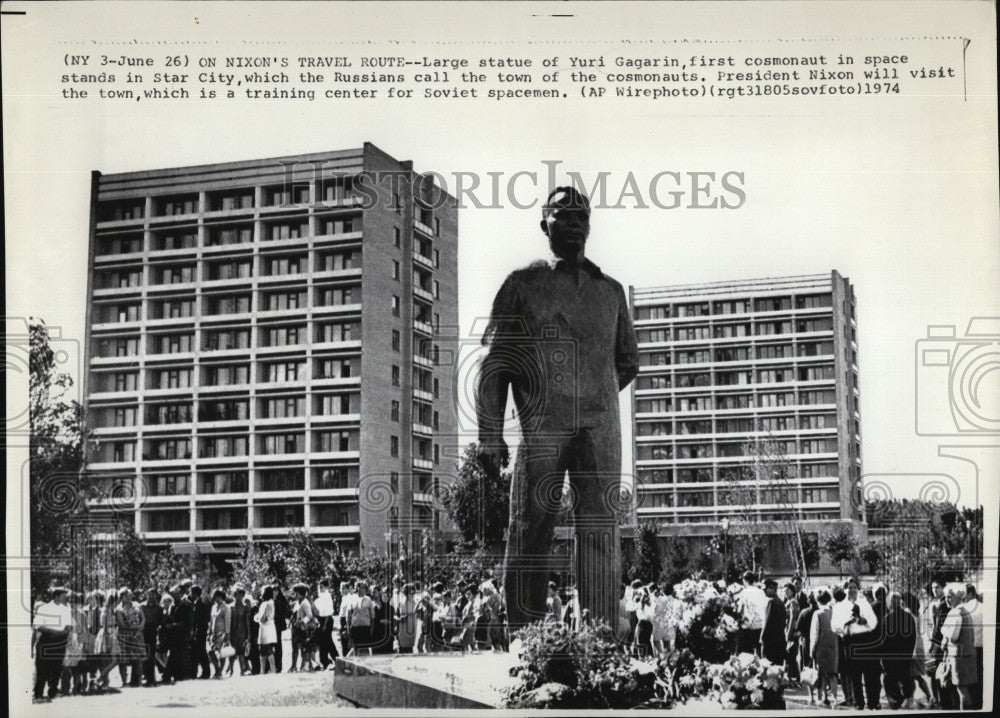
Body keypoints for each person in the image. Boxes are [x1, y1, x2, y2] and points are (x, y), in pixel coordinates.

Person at [476, 186, 639, 631]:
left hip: (600, 430)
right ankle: (526, 639)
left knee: (601, 532)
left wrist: (594, 397)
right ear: (543, 222)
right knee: (532, 527)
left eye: (581, 214)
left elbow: (626, 363)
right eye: (562, 214)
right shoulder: (522, 286)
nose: (573, 221)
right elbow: (495, 366)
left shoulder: (611, 292)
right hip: (542, 429)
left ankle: (600, 639)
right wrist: (491, 435)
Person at [831, 577, 877, 709]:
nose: (852, 590)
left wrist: (864, 621)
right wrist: (846, 623)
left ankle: (872, 702)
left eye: (854, 587)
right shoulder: (839, 607)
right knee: (854, 674)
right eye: (849, 587)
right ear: (845, 589)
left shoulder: (864, 604)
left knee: (869, 673)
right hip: (850, 640)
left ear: (858, 589)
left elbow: (873, 622)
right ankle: (859, 702)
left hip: (865, 639)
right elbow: (834, 626)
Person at [32, 586, 72, 703]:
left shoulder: (66, 610)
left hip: (60, 642)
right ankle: (38, 694)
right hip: (46, 642)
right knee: (42, 670)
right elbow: (39, 626)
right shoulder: (44, 608)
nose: (66, 598)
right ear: (56, 597)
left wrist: (63, 634)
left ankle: (52, 693)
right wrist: (54, 633)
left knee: (57, 670)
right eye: (64, 596)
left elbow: (68, 626)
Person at [940, 583, 976, 710]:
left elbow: (953, 636)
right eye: (946, 597)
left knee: (962, 692)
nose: (947, 599)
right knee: (964, 691)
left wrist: (943, 630)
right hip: (968, 655)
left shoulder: (955, 612)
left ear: (959, 596)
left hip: (959, 658)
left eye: (950, 596)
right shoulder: (965, 611)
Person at [880, 591, 917, 709]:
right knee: (905, 677)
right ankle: (907, 697)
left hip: (891, 655)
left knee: (889, 679)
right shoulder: (908, 617)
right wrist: (910, 652)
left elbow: (883, 639)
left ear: (890, 603)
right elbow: (913, 636)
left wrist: (882, 655)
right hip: (904, 654)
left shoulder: (888, 617)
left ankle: (896, 700)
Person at [904, 592, 936, 709]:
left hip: (912, 647)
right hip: (919, 645)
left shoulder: (907, 613)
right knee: (915, 675)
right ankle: (924, 697)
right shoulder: (917, 613)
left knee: (912, 675)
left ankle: (915, 698)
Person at [810, 589, 840, 707]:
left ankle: (821, 698)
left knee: (821, 674)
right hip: (833, 645)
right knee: (832, 674)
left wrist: (812, 649)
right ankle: (835, 698)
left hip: (821, 646)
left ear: (818, 601)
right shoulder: (833, 612)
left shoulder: (817, 614)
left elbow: (815, 633)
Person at [115, 588, 146, 687]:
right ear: (122, 596)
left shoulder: (137, 605)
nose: (129, 597)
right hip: (125, 636)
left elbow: (143, 618)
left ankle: (139, 682)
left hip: (137, 636)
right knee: (123, 660)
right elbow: (122, 624)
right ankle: (124, 682)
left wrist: (141, 627)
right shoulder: (119, 609)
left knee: (138, 659)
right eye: (127, 595)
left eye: (130, 595)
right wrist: (136, 627)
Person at [927, 579, 948, 706]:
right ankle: (937, 699)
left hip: (940, 644)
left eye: (938, 587)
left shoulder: (944, 604)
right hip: (936, 643)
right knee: (933, 672)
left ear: (943, 587)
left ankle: (941, 701)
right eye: (933, 588)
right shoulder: (936, 603)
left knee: (938, 672)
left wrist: (933, 643)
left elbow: (939, 628)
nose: (935, 590)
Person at [962, 584, 983, 710]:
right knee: (980, 678)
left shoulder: (965, 609)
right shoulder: (983, 607)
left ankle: (972, 706)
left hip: (970, 649)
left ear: (969, 594)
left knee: (970, 680)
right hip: (981, 648)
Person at [737, 572, 767, 655]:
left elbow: (740, 609)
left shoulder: (744, 592)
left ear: (745, 581)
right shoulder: (761, 592)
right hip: (760, 624)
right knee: (758, 649)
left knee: (748, 652)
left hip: (748, 626)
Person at [796, 591, 818, 705]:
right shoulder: (821, 612)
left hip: (806, 642)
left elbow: (798, 630)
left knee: (808, 668)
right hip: (819, 642)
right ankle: (822, 695)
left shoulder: (804, 612)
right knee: (820, 669)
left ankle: (812, 696)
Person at [760, 578, 787, 665]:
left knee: (768, 667)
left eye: (765, 589)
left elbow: (768, 621)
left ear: (772, 588)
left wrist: (762, 637)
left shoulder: (771, 602)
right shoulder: (780, 602)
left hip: (771, 641)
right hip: (779, 639)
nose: (764, 592)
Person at [290, 583, 316, 672]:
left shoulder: (305, 602)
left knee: (304, 648)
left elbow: (309, 615)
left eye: (296, 593)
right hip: (296, 629)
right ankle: (294, 666)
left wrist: (301, 621)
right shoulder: (298, 602)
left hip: (303, 629)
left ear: (300, 592)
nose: (295, 595)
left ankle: (305, 666)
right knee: (295, 648)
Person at [141, 587, 163, 686]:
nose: (151, 596)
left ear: (156, 596)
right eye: (149, 594)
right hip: (143, 632)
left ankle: (151, 678)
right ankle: (144, 676)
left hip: (153, 632)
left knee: (151, 656)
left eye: (153, 594)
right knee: (144, 655)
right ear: (146, 595)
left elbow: (161, 622)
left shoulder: (159, 608)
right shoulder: (142, 607)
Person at [187, 585, 211, 679]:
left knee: (201, 652)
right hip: (200, 631)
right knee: (197, 652)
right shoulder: (199, 603)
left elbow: (199, 620)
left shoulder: (199, 604)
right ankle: (196, 673)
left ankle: (205, 672)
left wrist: (195, 632)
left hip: (200, 632)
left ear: (194, 593)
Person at [313, 578, 337, 669]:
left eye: (322, 587)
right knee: (322, 642)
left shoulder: (327, 596)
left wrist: (325, 624)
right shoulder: (320, 597)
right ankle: (325, 661)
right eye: (319, 587)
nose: (320, 588)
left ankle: (336, 659)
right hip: (321, 620)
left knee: (328, 641)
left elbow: (329, 612)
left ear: (326, 587)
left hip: (327, 620)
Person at [207, 588, 231, 679]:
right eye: (216, 597)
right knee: (210, 651)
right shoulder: (213, 607)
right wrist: (209, 633)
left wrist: (227, 635)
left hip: (222, 633)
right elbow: (211, 620)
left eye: (219, 597)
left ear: (222, 597)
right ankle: (217, 670)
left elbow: (227, 622)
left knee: (222, 653)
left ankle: (219, 672)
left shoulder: (226, 607)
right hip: (213, 634)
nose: (217, 599)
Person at [227, 585, 250, 676]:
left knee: (241, 652)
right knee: (232, 651)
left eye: (241, 595)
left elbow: (247, 621)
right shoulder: (230, 607)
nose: (239, 597)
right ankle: (231, 670)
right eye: (237, 595)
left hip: (242, 631)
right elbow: (228, 620)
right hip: (232, 631)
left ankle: (242, 670)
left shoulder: (245, 607)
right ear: (234, 595)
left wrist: (248, 634)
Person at [255, 586, 278, 674]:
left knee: (268, 647)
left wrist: (258, 619)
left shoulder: (270, 603)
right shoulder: (264, 603)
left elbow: (264, 617)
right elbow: (259, 616)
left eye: (263, 591)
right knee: (262, 649)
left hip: (268, 627)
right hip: (263, 627)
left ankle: (273, 669)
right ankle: (262, 671)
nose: (261, 593)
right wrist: (257, 618)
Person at [348, 580, 374, 656]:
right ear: (357, 588)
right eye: (361, 587)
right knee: (356, 648)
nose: (362, 589)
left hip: (365, 627)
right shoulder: (352, 599)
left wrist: (371, 628)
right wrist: (348, 630)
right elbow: (349, 615)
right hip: (355, 627)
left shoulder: (368, 599)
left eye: (364, 588)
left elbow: (372, 615)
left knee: (365, 648)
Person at [783, 583, 801, 682]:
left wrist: (788, 634)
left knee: (791, 655)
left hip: (792, 632)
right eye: (784, 591)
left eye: (787, 591)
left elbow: (792, 620)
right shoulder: (789, 601)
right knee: (790, 656)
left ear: (792, 591)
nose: (785, 593)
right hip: (789, 631)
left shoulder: (793, 602)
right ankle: (793, 677)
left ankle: (794, 678)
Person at [272, 582, 290, 673]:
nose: (275, 592)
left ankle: (278, 666)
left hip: (278, 625)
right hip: (271, 624)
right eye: (273, 590)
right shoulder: (271, 600)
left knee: (278, 645)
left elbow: (286, 611)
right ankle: (272, 666)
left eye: (276, 590)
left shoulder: (281, 600)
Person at [395, 583, 418, 654]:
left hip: (412, 629)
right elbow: (395, 615)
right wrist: (399, 619)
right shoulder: (401, 603)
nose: (410, 595)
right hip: (402, 629)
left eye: (412, 593)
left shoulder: (416, 603)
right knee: (402, 649)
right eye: (407, 592)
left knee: (410, 649)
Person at [371, 587, 395, 654]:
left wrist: (389, 622)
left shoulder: (390, 608)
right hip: (377, 636)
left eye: (387, 596)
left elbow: (393, 620)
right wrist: (380, 621)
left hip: (387, 636)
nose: (385, 598)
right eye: (384, 596)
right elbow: (372, 620)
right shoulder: (374, 606)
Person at [634, 585, 656, 658]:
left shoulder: (651, 603)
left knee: (646, 641)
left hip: (647, 623)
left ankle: (649, 657)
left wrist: (646, 603)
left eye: (642, 594)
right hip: (641, 623)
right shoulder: (638, 603)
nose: (642, 596)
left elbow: (650, 615)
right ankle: (643, 658)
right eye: (640, 594)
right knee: (640, 641)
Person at [338, 581, 356, 657]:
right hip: (342, 621)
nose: (341, 590)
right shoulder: (343, 598)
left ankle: (348, 660)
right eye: (341, 588)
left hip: (347, 621)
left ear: (348, 589)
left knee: (347, 643)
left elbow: (349, 612)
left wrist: (347, 624)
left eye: (343, 588)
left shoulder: (350, 597)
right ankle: (345, 659)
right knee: (343, 642)